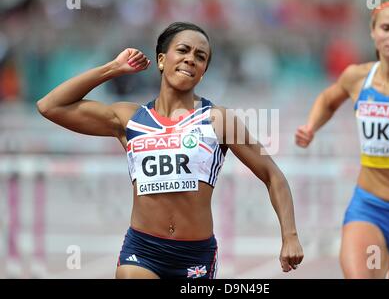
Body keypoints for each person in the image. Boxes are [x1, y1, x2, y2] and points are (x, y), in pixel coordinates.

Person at [37, 22, 303, 279]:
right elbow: (50, 106)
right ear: (162, 60)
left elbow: (272, 175)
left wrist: (289, 236)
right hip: (142, 250)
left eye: (200, 57)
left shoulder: (217, 120)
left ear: (203, 72)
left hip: (195, 256)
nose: (191, 59)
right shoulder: (129, 118)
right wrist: (113, 68)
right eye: (183, 50)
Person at [295, 0, 389, 278]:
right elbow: (329, 100)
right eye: (386, 28)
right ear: (373, 31)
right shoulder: (357, 77)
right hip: (370, 209)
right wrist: (311, 126)